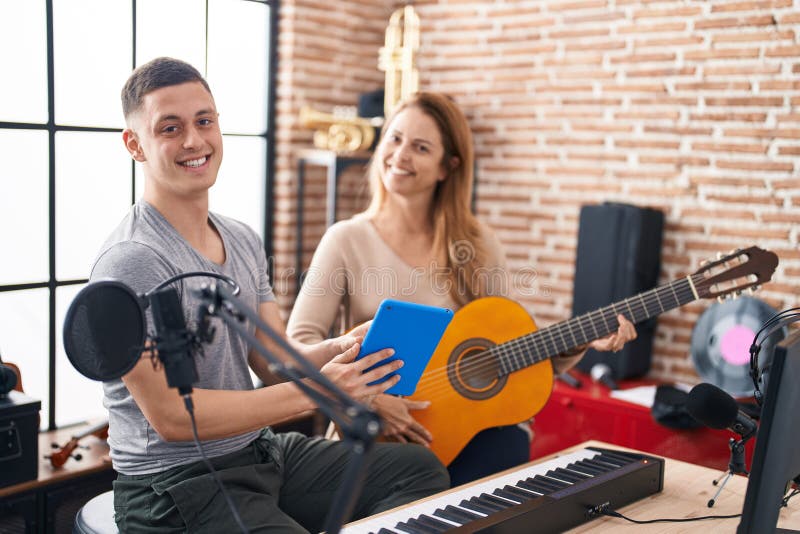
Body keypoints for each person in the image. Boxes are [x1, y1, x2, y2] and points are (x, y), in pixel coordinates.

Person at [91, 57, 449, 533]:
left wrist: (341, 347)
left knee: (418, 470)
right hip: (174, 485)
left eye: (204, 121)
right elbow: (173, 418)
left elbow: (273, 362)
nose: (194, 140)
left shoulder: (240, 238)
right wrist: (320, 390)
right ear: (135, 144)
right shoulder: (132, 260)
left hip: (257, 452)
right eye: (170, 128)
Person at [286, 91, 637, 487]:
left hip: (471, 436)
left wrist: (582, 340)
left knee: (508, 455)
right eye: (395, 138)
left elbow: (513, 355)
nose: (400, 155)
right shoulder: (345, 239)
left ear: (447, 167)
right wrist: (367, 397)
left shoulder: (479, 244)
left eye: (420, 147)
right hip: (374, 434)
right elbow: (297, 347)